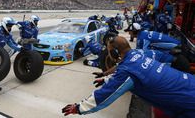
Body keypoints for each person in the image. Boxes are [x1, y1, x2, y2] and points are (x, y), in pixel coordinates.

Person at [62, 36, 195, 117]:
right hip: (189, 82)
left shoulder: (127, 70)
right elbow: (127, 72)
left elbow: (104, 96)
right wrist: (106, 78)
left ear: (114, 52)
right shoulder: (138, 56)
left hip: (188, 103)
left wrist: (79, 108)